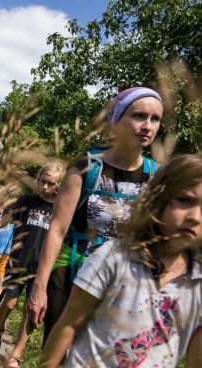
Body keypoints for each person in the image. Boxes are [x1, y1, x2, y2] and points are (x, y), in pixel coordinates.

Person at [27, 154, 202, 368]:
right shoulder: (115, 257)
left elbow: (197, 366)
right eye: (184, 200)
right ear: (158, 200)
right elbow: (68, 324)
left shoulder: (197, 285)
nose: (195, 216)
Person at [28, 87, 163, 345]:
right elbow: (56, 229)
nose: (147, 126)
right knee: (55, 360)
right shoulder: (85, 167)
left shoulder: (156, 175)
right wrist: (39, 288)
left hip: (119, 283)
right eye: (138, 116)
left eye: (155, 119)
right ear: (116, 119)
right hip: (70, 273)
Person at [0, 163, 65, 359]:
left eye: (50, 184)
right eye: (42, 182)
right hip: (18, 262)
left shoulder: (61, 209)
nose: (44, 187)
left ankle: (15, 354)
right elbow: (4, 220)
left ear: (58, 185)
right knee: (8, 305)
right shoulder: (27, 201)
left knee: (30, 311)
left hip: (41, 269)